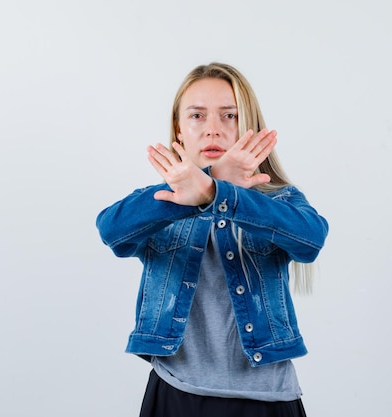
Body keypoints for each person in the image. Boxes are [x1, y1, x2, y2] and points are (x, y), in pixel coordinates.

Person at [96, 62, 328, 417]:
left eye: (229, 116)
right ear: (180, 129)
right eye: (197, 116)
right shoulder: (160, 200)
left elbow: (310, 240)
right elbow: (112, 230)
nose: (213, 131)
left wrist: (223, 195)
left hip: (269, 401)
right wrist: (209, 182)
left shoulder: (278, 199)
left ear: (247, 124)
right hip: (176, 392)